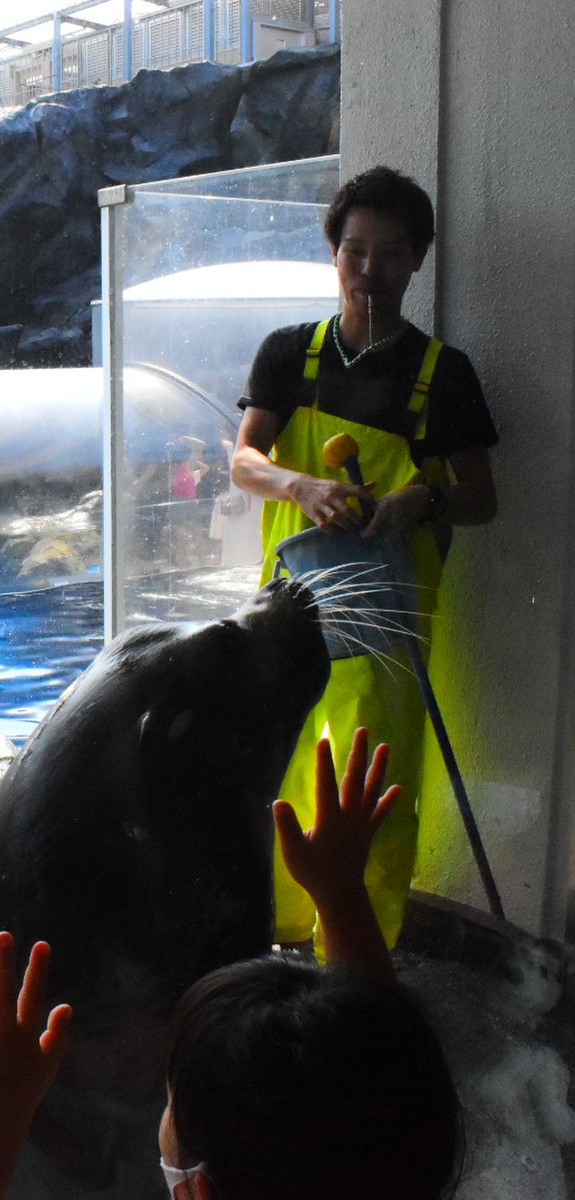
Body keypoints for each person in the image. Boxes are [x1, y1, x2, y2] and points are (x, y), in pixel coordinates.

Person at [0, 730, 462, 1200]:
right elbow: (378, 1075)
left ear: (197, 1188)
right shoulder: (400, 1166)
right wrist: (341, 895)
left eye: (174, 1097)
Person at [230, 165, 499, 948]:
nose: (369, 270)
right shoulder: (289, 355)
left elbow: (483, 498)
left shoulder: (441, 376)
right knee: (280, 772)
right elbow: (244, 462)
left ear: (418, 261)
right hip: (289, 613)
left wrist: (426, 499)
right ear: (334, 255)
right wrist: (303, 486)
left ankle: (357, 963)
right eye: (355, 250)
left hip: (388, 627)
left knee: (372, 794)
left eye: (390, 253)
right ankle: (271, 938)